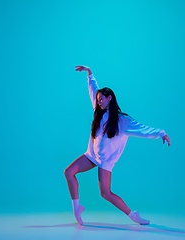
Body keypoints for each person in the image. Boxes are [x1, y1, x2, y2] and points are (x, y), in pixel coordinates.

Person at [64, 65, 171, 225]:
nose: (99, 101)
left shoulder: (123, 121)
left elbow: (143, 129)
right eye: (98, 99)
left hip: (105, 161)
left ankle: (133, 215)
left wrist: (160, 133)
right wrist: (90, 74)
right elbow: (94, 91)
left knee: (105, 194)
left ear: (110, 98)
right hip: (91, 155)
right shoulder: (98, 111)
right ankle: (76, 207)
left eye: (102, 99)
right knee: (69, 172)